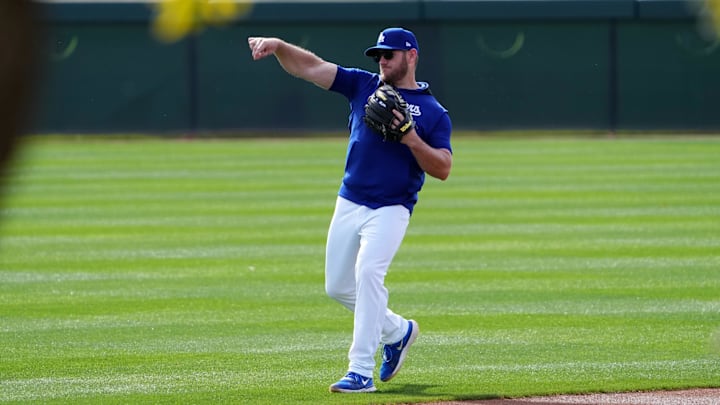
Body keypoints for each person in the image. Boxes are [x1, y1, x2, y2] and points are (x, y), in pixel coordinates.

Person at [247, 27, 452, 393]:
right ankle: (399, 331)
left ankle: (360, 371)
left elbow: (443, 168)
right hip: (350, 199)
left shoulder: (434, 112)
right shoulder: (362, 85)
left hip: (391, 208)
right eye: (379, 55)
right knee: (338, 287)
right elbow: (311, 67)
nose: (383, 60)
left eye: (390, 53)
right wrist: (278, 47)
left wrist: (410, 137)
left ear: (412, 56)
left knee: (368, 273)